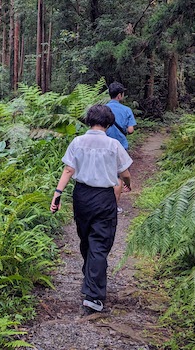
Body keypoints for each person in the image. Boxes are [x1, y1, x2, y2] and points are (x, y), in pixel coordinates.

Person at [51, 105, 132, 314]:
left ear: (89, 121)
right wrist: (128, 183)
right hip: (104, 198)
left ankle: (90, 280)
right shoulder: (114, 145)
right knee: (100, 243)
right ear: (108, 123)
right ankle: (94, 296)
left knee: (86, 239)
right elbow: (125, 172)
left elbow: (69, 169)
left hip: (82, 197)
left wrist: (57, 193)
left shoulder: (77, 142)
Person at [105, 82, 136, 211]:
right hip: (121, 147)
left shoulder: (103, 109)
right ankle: (114, 207)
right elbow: (130, 130)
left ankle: (103, 203)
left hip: (104, 146)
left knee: (105, 174)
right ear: (119, 95)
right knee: (118, 177)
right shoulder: (126, 110)